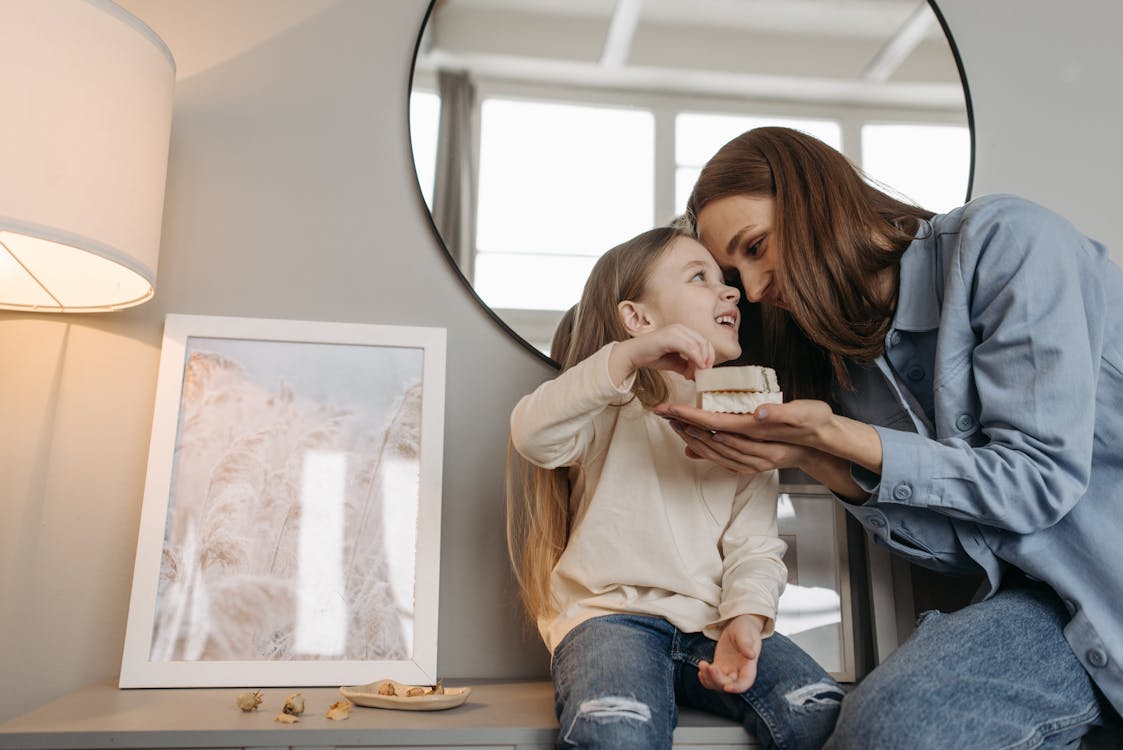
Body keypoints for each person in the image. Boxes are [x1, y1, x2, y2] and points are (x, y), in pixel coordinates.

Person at [656, 125, 1123, 748]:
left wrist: (844, 436)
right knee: (891, 726)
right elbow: (965, 550)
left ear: (813, 196)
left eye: (758, 247)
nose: (758, 288)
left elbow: (1037, 483)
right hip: (1048, 606)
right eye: (737, 276)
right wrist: (813, 456)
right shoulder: (846, 368)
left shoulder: (1006, 243)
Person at [506, 226, 844, 749]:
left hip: (713, 625)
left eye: (725, 281)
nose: (731, 291)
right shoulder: (608, 403)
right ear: (639, 319)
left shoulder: (749, 421)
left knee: (826, 716)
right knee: (617, 730)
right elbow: (534, 433)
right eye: (700, 277)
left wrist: (747, 621)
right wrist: (629, 356)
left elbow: (755, 547)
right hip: (610, 622)